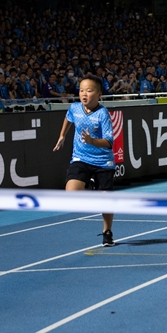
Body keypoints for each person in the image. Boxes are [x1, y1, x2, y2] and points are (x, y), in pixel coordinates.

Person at [53, 75, 117, 247]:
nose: (84, 94)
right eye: (81, 90)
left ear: (99, 95)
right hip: (81, 158)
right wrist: (62, 136)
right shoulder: (75, 108)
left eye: (89, 91)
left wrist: (92, 141)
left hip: (103, 162)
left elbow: (109, 143)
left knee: (106, 200)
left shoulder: (103, 114)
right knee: (71, 194)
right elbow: (68, 117)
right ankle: (88, 184)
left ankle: (107, 231)